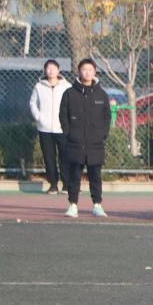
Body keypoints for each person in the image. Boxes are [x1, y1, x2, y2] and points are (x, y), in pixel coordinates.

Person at [59, 58, 110, 218]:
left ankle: (97, 205)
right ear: (79, 72)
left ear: (94, 72)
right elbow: (63, 115)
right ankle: (73, 205)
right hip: (75, 143)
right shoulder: (69, 93)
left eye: (90, 70)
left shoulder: (101, 94)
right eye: (84, 69)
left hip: (95, 143)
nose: (87, 73)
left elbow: (106, 117)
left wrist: (102, 134)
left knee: (95, 176)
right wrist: (68, 133)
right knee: (74, 175)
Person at [29, 58, 72, 195]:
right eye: (48, 68)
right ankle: (53, 185)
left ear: (58, 70)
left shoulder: (67, 86)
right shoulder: (39, 86)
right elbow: (32, 103)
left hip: (63, 128)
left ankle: (66, 185)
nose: (51, 70)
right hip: (45, 128)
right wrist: (39, 117)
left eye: (54, 68)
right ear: (45, 70)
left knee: (65, 157)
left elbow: (72, 104)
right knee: (49, 157)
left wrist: (68, 121)